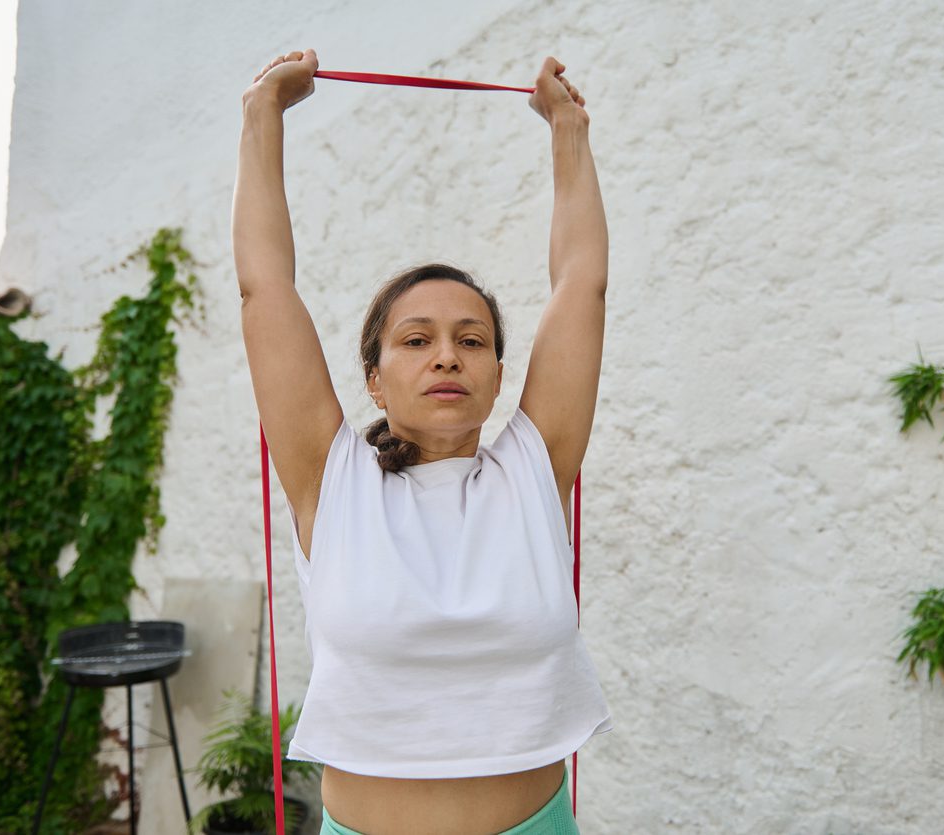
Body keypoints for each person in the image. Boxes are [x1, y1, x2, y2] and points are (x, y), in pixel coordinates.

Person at [235, 47, 611, 835]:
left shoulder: (532, 472)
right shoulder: (332, 480)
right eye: (416, 339)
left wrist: (567, 130)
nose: (446, 354)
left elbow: (581, 281)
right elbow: (264, 283)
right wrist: (262, 115)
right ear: (373, 379)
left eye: (471, 340)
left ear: (499, 373)